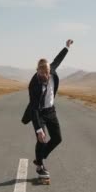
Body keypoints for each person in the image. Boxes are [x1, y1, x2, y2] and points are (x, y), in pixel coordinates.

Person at [21, 39, 73, 178]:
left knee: (57, 138)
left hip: (50, 110)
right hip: (38, 112)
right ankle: (39, 166)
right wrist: (39, 130)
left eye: (46, 73)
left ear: (49, 70)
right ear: (37, 71)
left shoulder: (52, 71)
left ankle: (39, 158)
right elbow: (34, 107)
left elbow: (58, 59)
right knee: (42, 139)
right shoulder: (34, 84)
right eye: (41, 73)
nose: (44, 76)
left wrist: (66, 47)